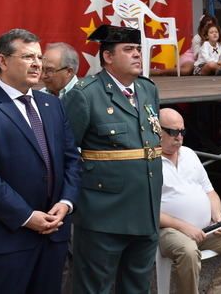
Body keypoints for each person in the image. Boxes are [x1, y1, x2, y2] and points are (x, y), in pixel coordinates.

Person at [0, 28, 81, 293]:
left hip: (53, 234)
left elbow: (71, 159)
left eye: (39, 57)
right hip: (7, 238)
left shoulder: (53, 105)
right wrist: (26, 216)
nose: (38, 64)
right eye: (27, 57)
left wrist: (66, 203)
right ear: (2, 61)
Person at [63, 24, 163, 294]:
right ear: (108, 57)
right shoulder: (85, 94)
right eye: (128, 50)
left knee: (138, 287)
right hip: (103, 216)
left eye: (138, 50)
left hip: (146, 211)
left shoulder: (147, 89)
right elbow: (66, 154)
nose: (137, 55)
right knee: (95, 288)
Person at [158, 108, 221, 294]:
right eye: (173, 132)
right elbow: (148, 210)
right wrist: (183, 227)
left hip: (205, 229)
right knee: (187, 251)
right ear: (156, 130)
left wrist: (218, 217)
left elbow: (210, 192)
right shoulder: (148, 161)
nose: (179, 137)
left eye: (182, 131)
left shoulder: (189, 153)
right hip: (168, 230)